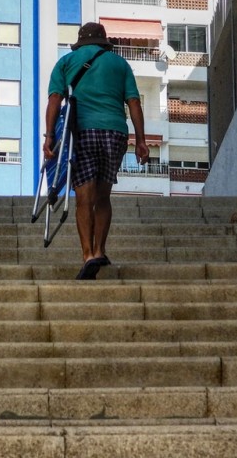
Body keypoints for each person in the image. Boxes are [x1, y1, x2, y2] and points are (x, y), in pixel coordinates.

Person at [43, 22, 149, 280]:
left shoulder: (66, 62)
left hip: (82, 132)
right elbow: (133, 102)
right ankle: (101, 249)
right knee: (103, 197)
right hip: (115, 133)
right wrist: (141, 141)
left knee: (84, 198)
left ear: (80, 42)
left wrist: (50, 136)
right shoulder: (120, 64)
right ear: (104, 42)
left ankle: (89, 254)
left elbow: (55, 100)